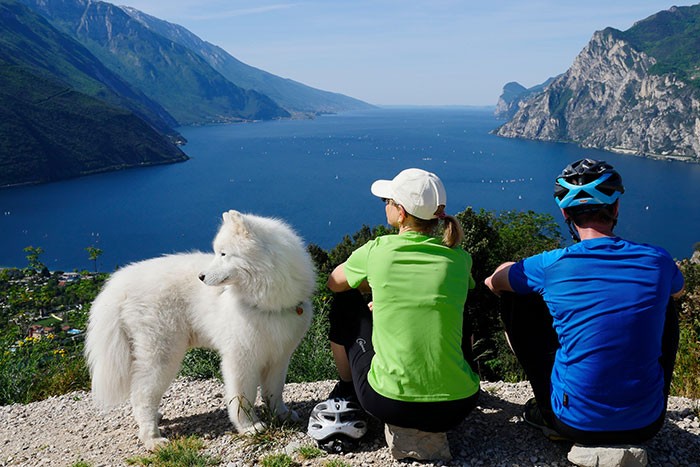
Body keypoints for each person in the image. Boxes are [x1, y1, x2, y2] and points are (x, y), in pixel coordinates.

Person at [484, 158, 685, 445]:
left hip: (574, 424)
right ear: (615, 208)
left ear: (565, 213)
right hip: (647, 423)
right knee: (665, 301)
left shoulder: (551, 265)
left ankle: (546, 408)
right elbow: (679, 289)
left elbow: (493, 283)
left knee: (515, 298)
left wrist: (511, 267)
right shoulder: (658, 260)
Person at [324, 168, 480, 436]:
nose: (385, 206)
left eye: (388, 202)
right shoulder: (459, 259)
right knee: (460, 303)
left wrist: (375, 288)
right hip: (459, 405)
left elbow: (334, 282)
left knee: (345, 300)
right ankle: (454, 373)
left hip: (389, 403)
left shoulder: (378, 251)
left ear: (402, 213)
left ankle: (348, 388)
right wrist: (387, 301)